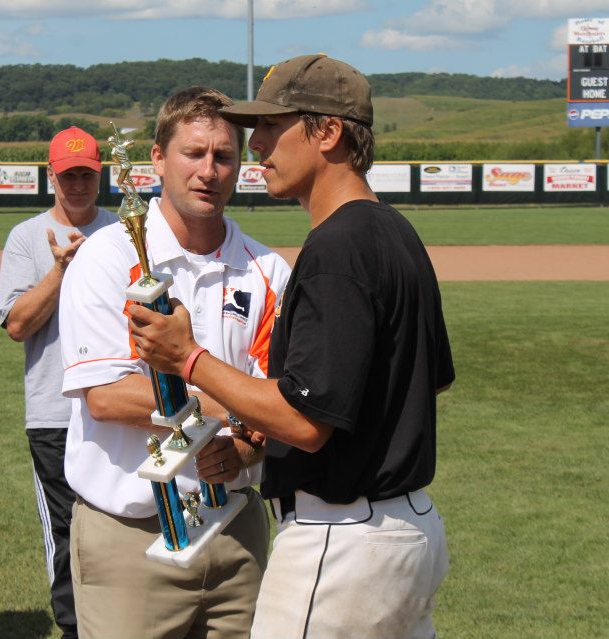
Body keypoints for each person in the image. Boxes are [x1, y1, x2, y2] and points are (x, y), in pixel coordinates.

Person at [128, 55, 455, 639]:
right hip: (409, 529)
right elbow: (425, 380)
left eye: (273, 127)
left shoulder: (337, 248)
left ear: (327, 132)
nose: (257, 147)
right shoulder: (395, 232)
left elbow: (305, 424)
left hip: (344, 537)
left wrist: (188, 358)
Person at [58, 86, 291, 639]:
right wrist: (237, 410)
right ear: (158, 160)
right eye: (193, 153)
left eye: (224, 156)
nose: (208, 170)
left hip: (238, 531)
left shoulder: (268, 270)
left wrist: (246, 445)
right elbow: (109, 396)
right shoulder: (109, 256)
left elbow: (280, 397)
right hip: (130, 536)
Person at [0, 126, 117, 639]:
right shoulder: (27, 237)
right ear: (52, 176)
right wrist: (62, 270)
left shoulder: (120, 231)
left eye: (87, 174)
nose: (78, 185)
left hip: (117, 404)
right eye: (69, 176)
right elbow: (18, 325)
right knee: (67, 534)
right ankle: (73, 630)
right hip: (54, 412)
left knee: (120, 522)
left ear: (99, 175)